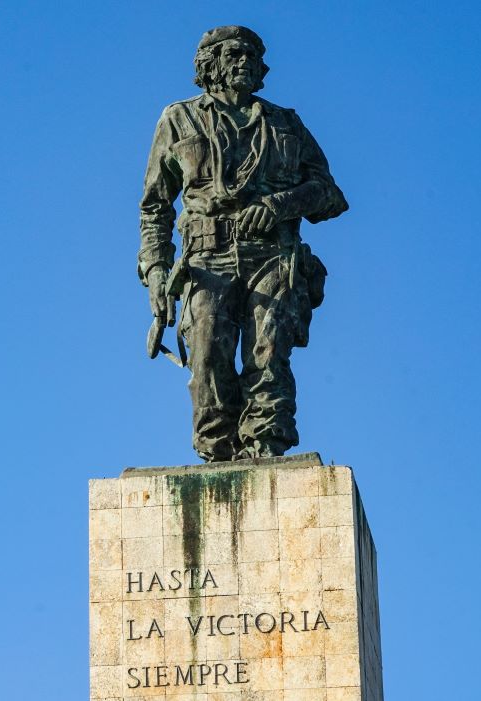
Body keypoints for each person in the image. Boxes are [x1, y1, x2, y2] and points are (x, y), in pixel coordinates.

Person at [139, 25, 348, 461]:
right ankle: (217, 451)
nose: (245, 62)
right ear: (209, 65)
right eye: (234, 54)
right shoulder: (178, 119)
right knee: (208, 352)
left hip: (272, 256)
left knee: (268, 351)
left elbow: (329, 195)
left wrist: (280, 204)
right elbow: (155, 207)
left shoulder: (285, 122)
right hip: (205, 260)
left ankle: (267, 447)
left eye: (252, 56)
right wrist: (158, 272)